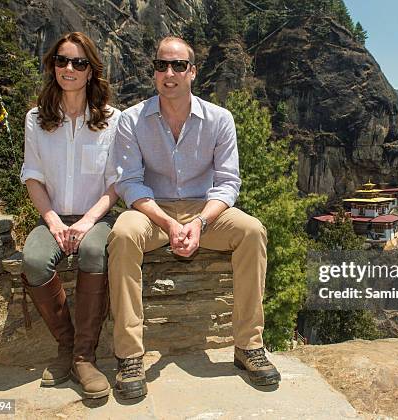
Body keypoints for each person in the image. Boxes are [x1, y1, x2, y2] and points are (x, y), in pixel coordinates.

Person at [107, 36, 281, 399]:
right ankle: (129, 355)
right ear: (154, 71)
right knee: (122, 234)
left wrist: (199, 223)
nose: (169, 73)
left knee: (252, 230)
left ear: (192, 72)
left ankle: (248, 345)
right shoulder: (131, 120)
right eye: (161, 65)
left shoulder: (219, 119)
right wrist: (170, 224)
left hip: (206, 210)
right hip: (152, 211)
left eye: (178, 66)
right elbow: (130, 183)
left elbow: (229, 183)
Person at [20, 32, 120, 399]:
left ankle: (84, 357)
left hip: (98, 216)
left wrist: (86, 222)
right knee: (33, 259)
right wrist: (54, 222)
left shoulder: (111, 120)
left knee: (94, 252)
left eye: (79, 62)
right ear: (53, 66)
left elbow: (115, 185)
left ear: (91, 70)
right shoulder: (36, 119)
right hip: (53, 215)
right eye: (62, 61)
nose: (69, 69)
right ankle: (66, 345)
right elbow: (32, 176)